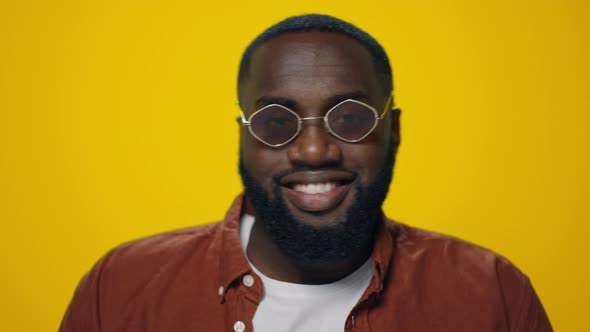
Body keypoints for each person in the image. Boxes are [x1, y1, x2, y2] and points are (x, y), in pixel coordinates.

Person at [60, 14, 552, 332]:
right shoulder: (120, 289)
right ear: (245, 136)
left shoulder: (492, 294)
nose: (314, 149)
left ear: (393, 131)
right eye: (277, 121)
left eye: (351, 118)